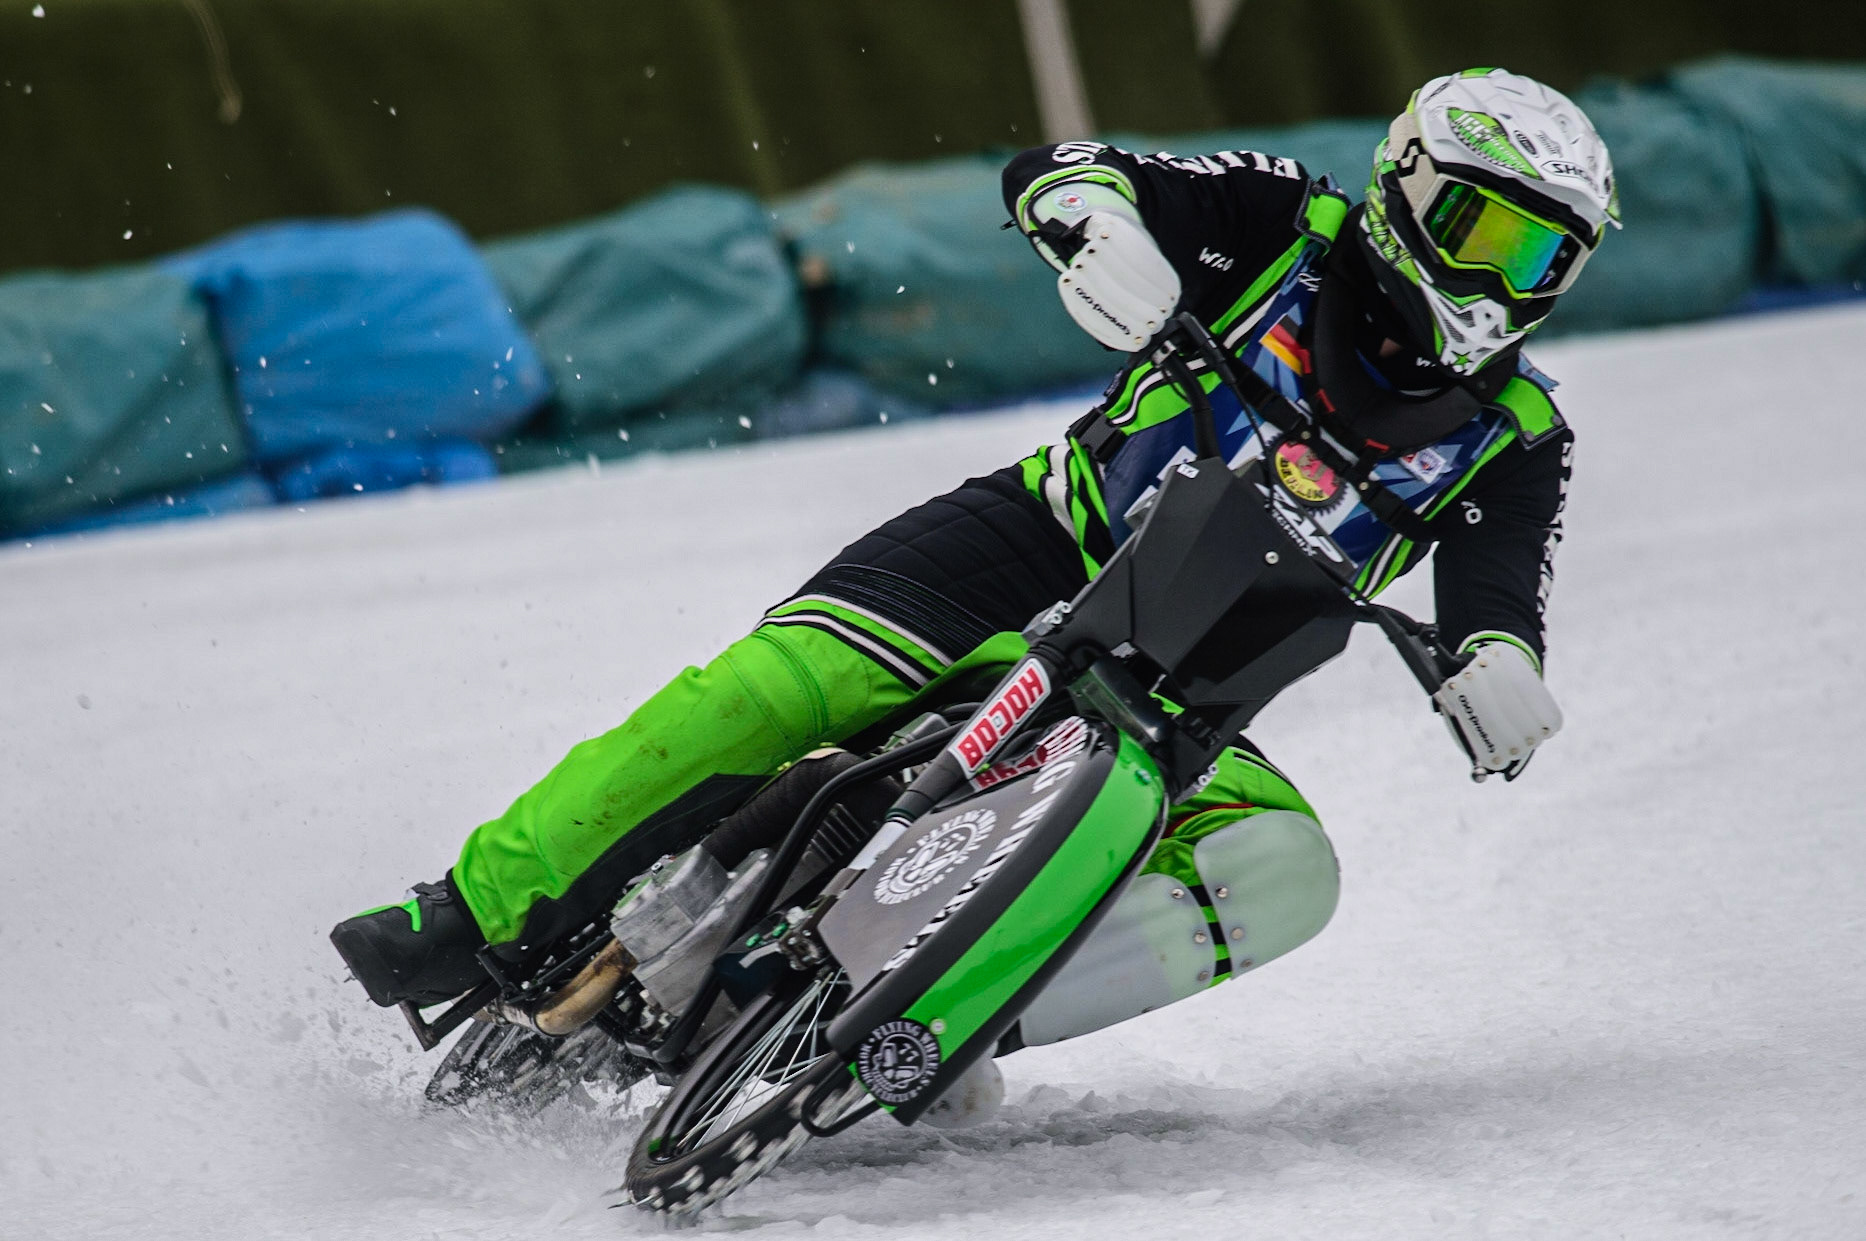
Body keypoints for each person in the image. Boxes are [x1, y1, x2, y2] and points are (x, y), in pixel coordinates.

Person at [331, 68, 1618, 1010]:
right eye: (1481, 233)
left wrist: (1500, 659)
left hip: (1186, 688)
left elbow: (1499, 593)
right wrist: (1100, 230)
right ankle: (469, 908)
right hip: (1033, 542)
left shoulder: (1518, 436)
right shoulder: (1290, 223)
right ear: (1406, 188)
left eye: (1542, 261)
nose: (1501, 287)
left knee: (1280, 868)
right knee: (786, 685)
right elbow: (1069, 168)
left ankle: (926, 1021)